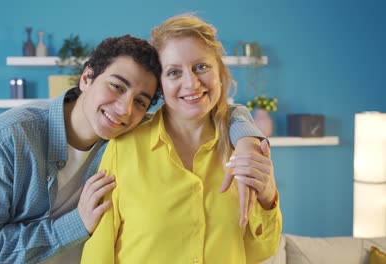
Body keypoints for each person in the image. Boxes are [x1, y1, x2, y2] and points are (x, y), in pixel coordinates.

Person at [0, 35, 264, 263]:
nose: (124, 109)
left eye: (141, 101)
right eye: (116, 86)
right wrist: (76, 224)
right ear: (87, 76)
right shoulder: (10, 137)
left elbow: (218, 110)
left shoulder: (128, 138)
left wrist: (249, 139)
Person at [81, 14, 282, 264]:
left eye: (202, 67)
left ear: (220, 71)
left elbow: (260, 251)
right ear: (160, 85)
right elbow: (98, 251)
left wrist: (268, 197)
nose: (192, 83)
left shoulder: (244, 150)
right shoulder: (124, 148)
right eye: (174, 72)